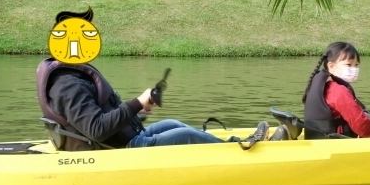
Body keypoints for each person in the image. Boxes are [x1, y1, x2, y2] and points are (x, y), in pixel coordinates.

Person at [36, 56, 270, 150]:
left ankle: (228, 144)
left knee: (173, 124)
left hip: (126, 137)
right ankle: (238, 150)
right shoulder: (69, 86)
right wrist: (137, 102)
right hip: (121, 149)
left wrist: (141, 109)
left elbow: (96, 117)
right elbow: (96, 129)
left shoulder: (72, 76)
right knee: (186, 136)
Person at [301, 41, 370, 139]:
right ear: (331, 66)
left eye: (356, 65)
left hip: (319, 143)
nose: (354, 69)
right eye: (349, 64)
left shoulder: (320, 85)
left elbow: (355, 116)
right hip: (336, 145)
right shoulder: (338, 91)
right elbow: (362, 126)